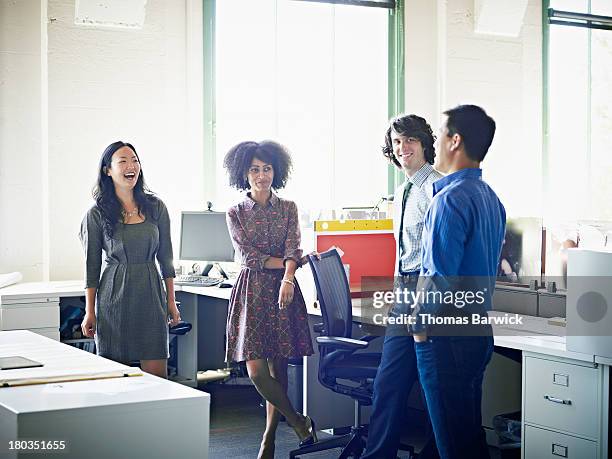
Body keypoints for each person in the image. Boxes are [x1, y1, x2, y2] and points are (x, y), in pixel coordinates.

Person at [409, 105, 506, 459]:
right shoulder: (491, 199)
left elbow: (438, 276)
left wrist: (418, 328)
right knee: (467, 434)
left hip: (444, 335)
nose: (434, 142)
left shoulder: (448, 200)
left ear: (455, 140)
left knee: (452, 442)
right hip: (477, 330)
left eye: (439, 134)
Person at [223, 140, 317, 459]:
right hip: (252, 292)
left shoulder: (289, 207)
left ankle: (269, 439)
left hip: (283, 291)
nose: (261, 176)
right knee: (257, 371)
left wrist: (288, 276)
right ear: (243, 174)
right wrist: (289, 263)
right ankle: (299, 422)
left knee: (279, 369)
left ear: (276, 171)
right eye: (254, 170)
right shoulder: (235, 212)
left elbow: (294, 248)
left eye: (266, 169)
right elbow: (248, 257)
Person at [362, 115, 442, 459]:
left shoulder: (437, 187)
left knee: (435, 386)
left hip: (427, 293)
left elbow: (437, 252)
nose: (402, 148)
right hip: (403, 291)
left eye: (410, 140)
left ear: (424, 144)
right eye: (396, 142)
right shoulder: (402, 191)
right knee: (389, 383)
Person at [79, 141, 181, 378]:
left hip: (150, 293)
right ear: (108, 170)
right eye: (122, 161)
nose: (131, 165)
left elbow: (166, 258)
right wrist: (89, 311)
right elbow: (91, 267)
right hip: (114, 295)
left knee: (158, 378)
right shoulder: (96, 214)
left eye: (134, 160)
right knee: (114, 380)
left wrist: (171, 301)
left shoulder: (156, 207)